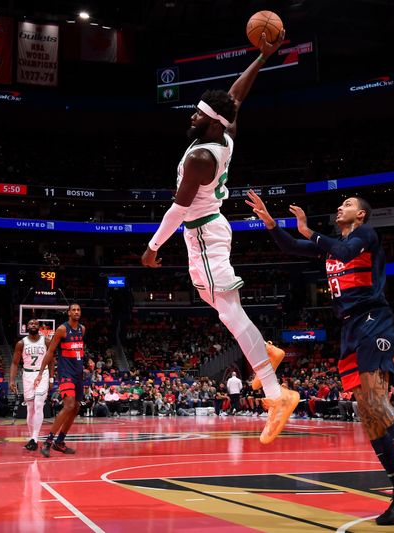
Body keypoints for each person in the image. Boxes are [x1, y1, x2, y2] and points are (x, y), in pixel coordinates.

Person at [245, 191, 394, 525]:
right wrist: (270, 224)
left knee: (376, 403)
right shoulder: (331, 245)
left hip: (373, 320)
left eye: (349, 205)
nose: (341, 207)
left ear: (362, 216)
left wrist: (309, 230)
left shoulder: (366, 236)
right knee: (366, 413)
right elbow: (290, 247)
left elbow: (343, 249)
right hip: (350, 328)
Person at [140, 29, 298, 444]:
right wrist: (262, 58)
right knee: (222, 306)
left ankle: (276, 394)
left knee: (229, 314)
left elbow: (176, 209)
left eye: (196, 114)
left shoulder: (200, 157)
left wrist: (153, 247)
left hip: (204, 235)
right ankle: (266, 350)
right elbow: (236, 95)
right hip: (211, 230)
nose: (190, 117)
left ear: (211, 121)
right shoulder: (224, 135)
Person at [34, 303, 94, 457]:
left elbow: (79, 348)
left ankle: (59, 442)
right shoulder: (62, 329)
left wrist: (88, 361)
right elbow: (50, 352)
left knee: (75, 408)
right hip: (66, 373)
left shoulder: (82, 329)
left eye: (78, 309)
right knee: (68, 405)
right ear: (68, 313)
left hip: (78, 374)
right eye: (73, 310)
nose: (76, 312)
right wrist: (41, 373)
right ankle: (48, 442)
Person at [9, 319, 54, 451]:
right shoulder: (21, 343)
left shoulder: (45, 341)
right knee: (30, 408)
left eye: (35, 324)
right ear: (26, 327)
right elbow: (15, 363)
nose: (33, 325)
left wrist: (51, 378)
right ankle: (32, 438)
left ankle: (34, 438)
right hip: (27, 375)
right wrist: (11, 380)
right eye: (30, 324)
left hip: (42, 374)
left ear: (39, 327)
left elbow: (52, 361)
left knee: (39, 404)